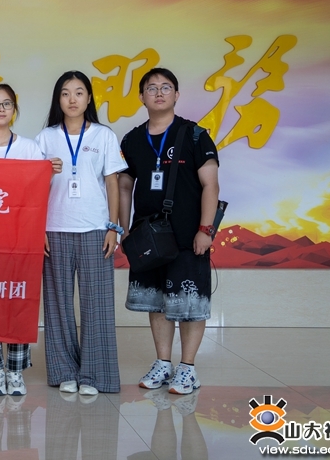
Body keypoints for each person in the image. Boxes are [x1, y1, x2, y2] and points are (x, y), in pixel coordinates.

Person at [118, 67, 219, 395]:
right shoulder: (132, 140)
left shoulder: (195, 135)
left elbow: (211, 185)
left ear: (176, 95)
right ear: (141, 97)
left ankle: (188, 368)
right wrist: (123, 229)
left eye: (165, 87)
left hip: (188, 237)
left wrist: (206, 230)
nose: (158, 92)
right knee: (157, 303)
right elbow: (124, 186)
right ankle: (163, 363)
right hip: (148, 238)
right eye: (151, 88)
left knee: (189, 302)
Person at [0, 83, 62, 397]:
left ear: (14, 109)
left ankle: (16, 371)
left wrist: (49, 171)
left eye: (6, 103)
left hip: (22, 239)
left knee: (19, 300)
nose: (1, 109)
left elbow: (39, 194)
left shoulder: (30, 149)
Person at [35, 71, 127, 396]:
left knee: (97, 305)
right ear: (58, 100)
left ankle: (95, 375)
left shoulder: (103, 135)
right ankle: (64, 372)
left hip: (95, 229)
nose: (72, 99)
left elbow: (113, 183)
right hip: (54, 228)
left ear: (89, 98)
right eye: (65, 93)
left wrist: (113, 227)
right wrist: (37, 228)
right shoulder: (45, 138)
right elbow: (32, 186)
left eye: (78, 92)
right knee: (57, 304)